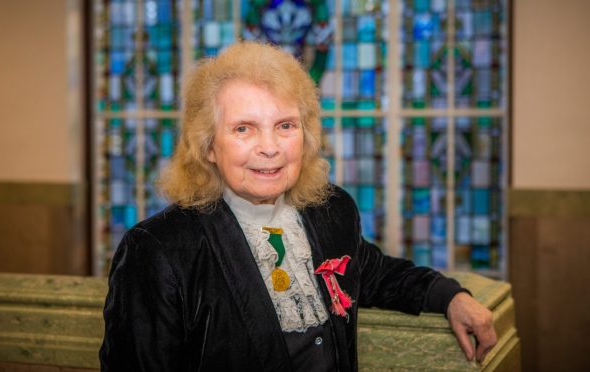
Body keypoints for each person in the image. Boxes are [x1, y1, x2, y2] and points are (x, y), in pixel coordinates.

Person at [100, 41, 497, 372]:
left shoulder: (331, 210)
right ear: (207, 146)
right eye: (244, 129)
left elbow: (372, 272)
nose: (269, 147)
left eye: (285, 125)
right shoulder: (157, 250)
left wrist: (449, 296)